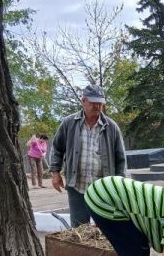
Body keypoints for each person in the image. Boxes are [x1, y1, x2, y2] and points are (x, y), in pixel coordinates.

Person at [50, 85, 127, 226]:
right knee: (79, 228)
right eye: (93, 102)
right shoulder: (69, 123)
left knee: (107, 229)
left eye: (100, 103)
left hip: (104, 189)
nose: (97, 106)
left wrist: (120, 185)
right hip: (77, 185)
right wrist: (55, 173)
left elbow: (120, 159)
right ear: (83, 101)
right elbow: (57, 148)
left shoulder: (111, 127)